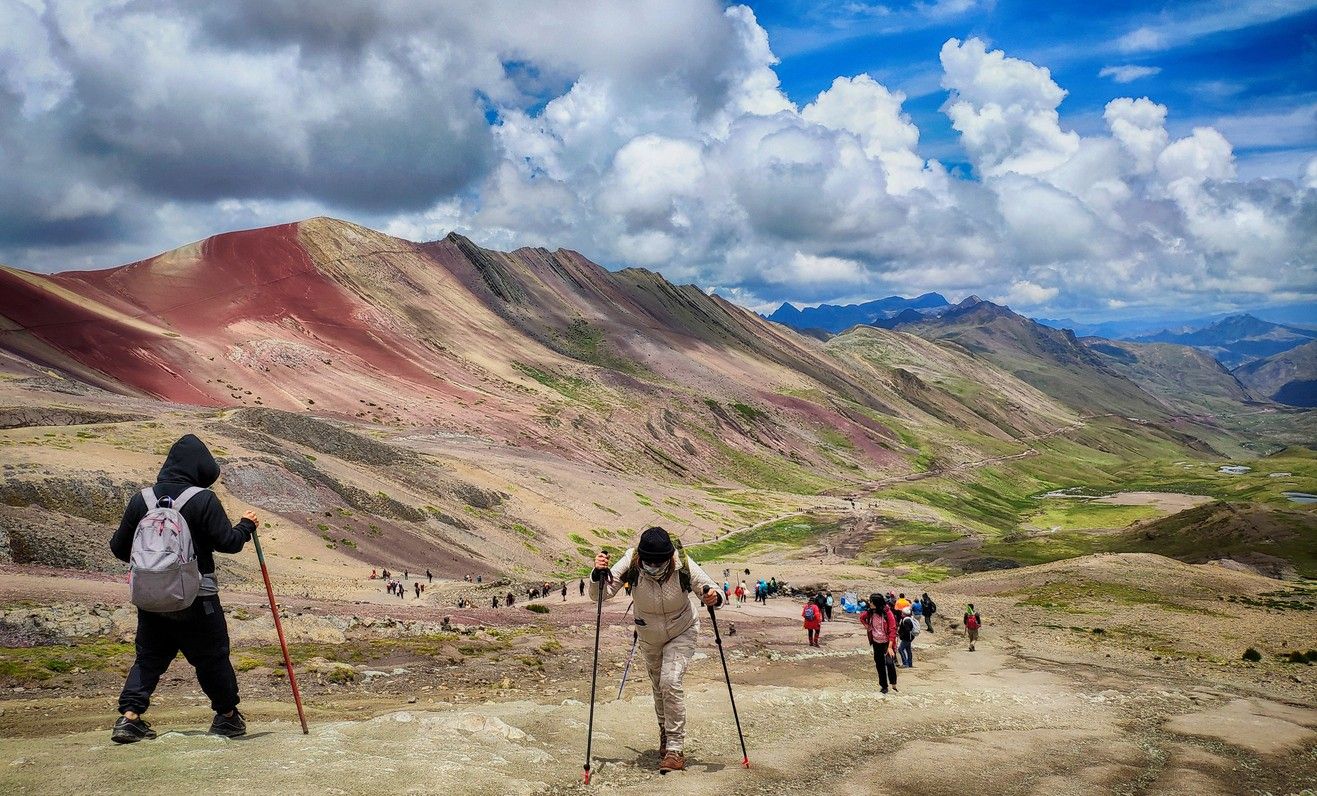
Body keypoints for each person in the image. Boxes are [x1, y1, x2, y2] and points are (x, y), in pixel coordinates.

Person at [108, 434, 258, 743]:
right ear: (201, 469)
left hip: (152, 600)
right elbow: (228, 543)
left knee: (148, 659)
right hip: (198, 598)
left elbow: (120, 548)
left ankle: (129, 719)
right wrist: (246, 526)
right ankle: (228, 717)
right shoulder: (202, 499)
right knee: (213, 657)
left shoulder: (143, 500)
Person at [590, 527, 722, 773]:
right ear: (641, 555)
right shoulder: (631, 560)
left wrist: (714, 597)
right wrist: (598, 573)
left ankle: (674, 749)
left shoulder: (681, 562)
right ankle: (665, 730)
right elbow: (602, 594)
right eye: (648, 560)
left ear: (668, 556)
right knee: (658, 685)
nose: (653, 565)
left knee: (670, 681)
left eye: (659, 561)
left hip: (682, 629)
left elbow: (710, 589)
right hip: (648, 634)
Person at [860, 592, 898, 694]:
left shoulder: (887, 613)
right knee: (879, 664)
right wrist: (867, 626)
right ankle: (884, 686)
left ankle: (893, 683)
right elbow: (862, 618)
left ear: (876, 603)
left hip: (887, 643)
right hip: (876, 642)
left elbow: (893, 629)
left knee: (890, 663)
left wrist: (890, 647)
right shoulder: (870, 612)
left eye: (871, 602)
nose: (869, 603)